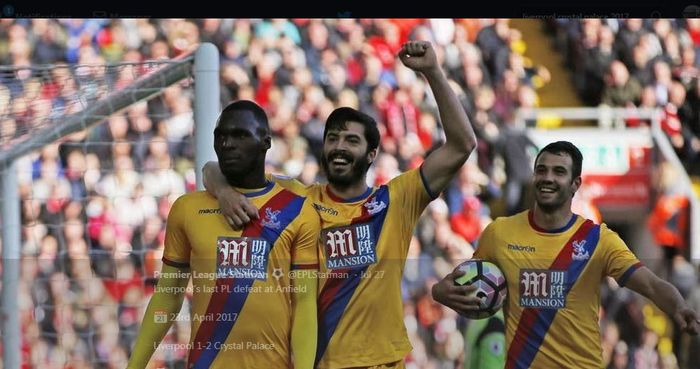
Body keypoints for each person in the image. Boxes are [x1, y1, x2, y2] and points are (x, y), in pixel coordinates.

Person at [203, 41, 480, 368]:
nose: (339, 147)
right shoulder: (298, 199)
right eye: (333, 138)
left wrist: (432, 72)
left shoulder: (396, 200)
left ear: (371, 154)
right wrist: (224, 192)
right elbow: (212, 169)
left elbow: (463, 144)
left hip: (384, 361)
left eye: (351, 140)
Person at [432, 141, 699, 369]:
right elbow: (467, 280)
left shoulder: (598, 240)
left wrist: (678, 307)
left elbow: (651, 284)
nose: (548, 177)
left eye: (559, 172)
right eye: (541, 170)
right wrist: (441, 292)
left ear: (575, 184)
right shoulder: (499, 234)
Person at [126, 100, 320, 369]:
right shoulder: (187, 209)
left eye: (240, 135)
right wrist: (135, 365)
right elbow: (168, 295)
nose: (228, 144)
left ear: (266, 142)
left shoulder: (299, 208)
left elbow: (305, 302)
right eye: (221, 136)